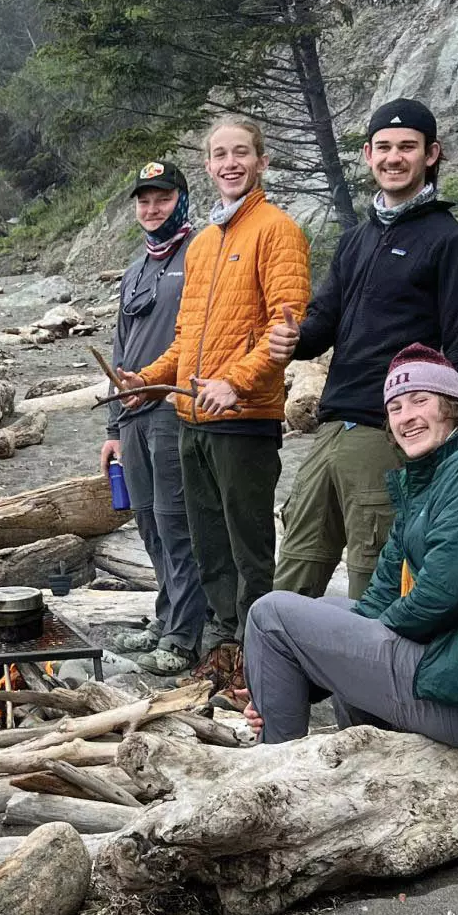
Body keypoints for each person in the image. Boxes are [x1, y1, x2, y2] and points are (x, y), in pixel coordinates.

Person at [238, 343, 458, 748]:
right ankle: (363, 760)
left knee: (270, 613)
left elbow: (445, 593)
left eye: (419, 401)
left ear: (451, 405)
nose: (405, 417)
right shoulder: (426, 481)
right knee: (329, 610)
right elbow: (379, 597)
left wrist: (341, 652)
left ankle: (278, 771)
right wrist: (294, 679)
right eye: (394, 408)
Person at [268, 98, 458, 600]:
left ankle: (371, 678)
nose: (394, 157)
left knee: (375, 578)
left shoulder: (450, 243)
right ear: (367, 155)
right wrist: (295, 339)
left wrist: (442, 443)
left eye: (407, 147)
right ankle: (278, 673)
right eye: (383, 147)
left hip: (389, 434)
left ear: (432, 154)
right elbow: (324, 321)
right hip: (332, 427)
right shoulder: (356, 240)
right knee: (296, 566)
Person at [117, 116, 310, 664]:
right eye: (220, 154)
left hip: (244, 418)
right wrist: (149, 382)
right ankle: (226, 646)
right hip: (191, 416)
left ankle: (261, 655)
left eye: (241, 153)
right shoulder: (202, 245)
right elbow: (185, 343)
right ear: (208, 166)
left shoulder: (278, 231)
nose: (230, 163)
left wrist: (235, 382)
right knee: (208, 544)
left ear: (261, 161)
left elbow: (283, 333)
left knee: (249, 547)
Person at [98, 159, 210, 676]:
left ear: (181, 200)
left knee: (175, 522)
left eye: (161, 198)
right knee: (145, 519)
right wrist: (113, 428)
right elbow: (120, 346)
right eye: (144, 200)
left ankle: (185, 636)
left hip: (171, 409)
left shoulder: (201, 254)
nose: (151, 207)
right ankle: (165, 618)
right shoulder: (136, 268)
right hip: (132, 414)